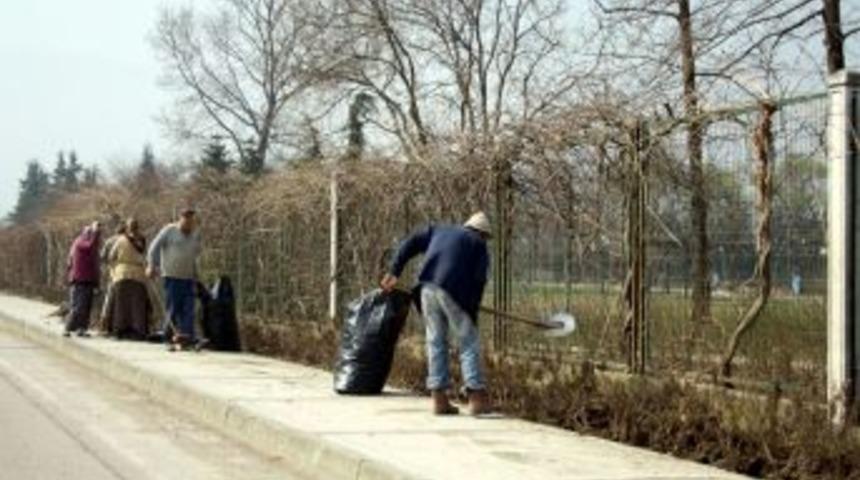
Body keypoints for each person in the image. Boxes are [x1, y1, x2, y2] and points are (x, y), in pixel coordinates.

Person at [381, 212, 492, 415]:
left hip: (426, 288)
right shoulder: (478, 243)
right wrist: (472, 311)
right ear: (483, 233)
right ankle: (476, 398)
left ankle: (439, 400)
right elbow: (479, 280)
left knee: (436, 341)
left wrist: (394, 271)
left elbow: (410, 242)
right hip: (454, 292)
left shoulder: (439, 230)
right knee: (468, 341)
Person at [147, 207, 202, 350]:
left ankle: (186, 338)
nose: (189, 225)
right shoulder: (169, 230)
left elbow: (194, 257)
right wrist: (152, 265)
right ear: (181, 219)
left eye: (192, 222)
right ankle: (168, 337)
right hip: (171, 276)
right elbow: (154, 247)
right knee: (173, 307)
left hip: (188, 277)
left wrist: (196, 276)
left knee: (189, 308)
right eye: (187, 221)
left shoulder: (195, 234)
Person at [104, 218, 151, 339]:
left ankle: (120, 330)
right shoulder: (141, 240)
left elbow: (111, 256)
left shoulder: (121, 240)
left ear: (127, 227)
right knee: (137, 305)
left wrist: (113, 269)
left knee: (121, 305)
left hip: (122, 273)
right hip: (138, 275)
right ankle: (138, 330)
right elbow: (144, 253)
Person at [64, 221, 103, 337]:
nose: (92, 236)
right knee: (78, 306)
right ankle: (68, 327)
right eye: (89, 233)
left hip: (88, 279)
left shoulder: (91, 247)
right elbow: (89, 246)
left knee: (86, 306)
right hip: (79, 279)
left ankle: (82, 328)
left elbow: (95, 264)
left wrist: (97, 282)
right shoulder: (80, 242)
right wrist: (95, 231)